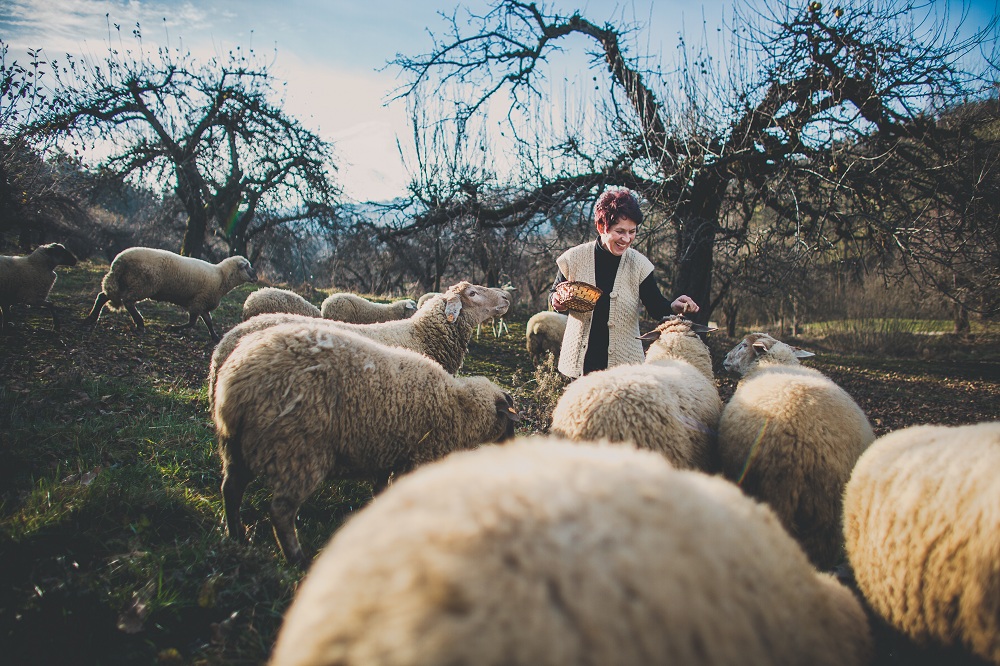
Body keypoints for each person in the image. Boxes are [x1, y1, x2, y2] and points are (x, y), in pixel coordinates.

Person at [550, 188, 699, 378]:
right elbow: (554, 294)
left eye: (632, 231)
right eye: (619, 231)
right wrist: (556, 301)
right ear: (601, 227)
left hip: (624, 367)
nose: (626, 239)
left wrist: (673, 306)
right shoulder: (574, 258)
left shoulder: (639, 265)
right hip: (580, 363)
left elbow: (655, 306)